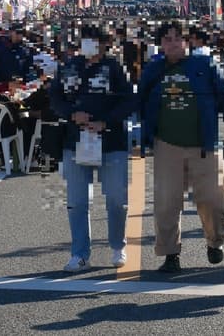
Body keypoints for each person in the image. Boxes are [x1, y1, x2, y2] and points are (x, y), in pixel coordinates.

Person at [138, 21, 224, 273]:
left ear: (187, 41)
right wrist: (141, 136)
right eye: (166, 39)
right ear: (160, 44)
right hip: (167, 144)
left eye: (177, 38)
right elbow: (139, 101)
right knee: (166, 203)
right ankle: (170, 253)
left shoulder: (204, 64)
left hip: (204, 144)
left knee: (213, 200)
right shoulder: (153, 69)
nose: (172, 43)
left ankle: (214, 242)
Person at [50, 25, 135, 272]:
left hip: (111, 141)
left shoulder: (114, 67)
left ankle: (118, 246)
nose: (89, 44)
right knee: (77, 201)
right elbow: (55, 96)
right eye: (85, 39)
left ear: (104, 43)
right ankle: (79, 253)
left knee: (117, 200)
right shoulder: (69, 66)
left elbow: (129, 99)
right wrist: (71, 113)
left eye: (94, 40)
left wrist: (106, 121)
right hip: (75, 141)